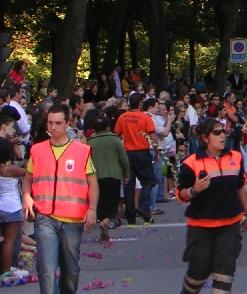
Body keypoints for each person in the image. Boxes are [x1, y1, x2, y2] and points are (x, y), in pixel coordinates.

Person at [22, 104, 98, 294]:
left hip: (73, 219)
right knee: (46, 270)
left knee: (70, 271)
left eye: (58, 123)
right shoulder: (37, 150)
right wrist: (27, 197)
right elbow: (28, 178)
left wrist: (92, 210)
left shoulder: (81, 151)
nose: (53, 127)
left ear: (67, 124)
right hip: (45, 217)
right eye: (50, 123)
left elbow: (93, 183)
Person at [176, 118, 247, 294]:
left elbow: (240, 186)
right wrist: (195, 190)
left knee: (225, 272)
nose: (223, 136)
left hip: (230, 224)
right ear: (205, 137)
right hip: (201, 226)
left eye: (224, 132)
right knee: (198, 272)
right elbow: (181, 195)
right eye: (217, 133)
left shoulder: (235, 157)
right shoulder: (191, 162)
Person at [113, 93, 157, 225]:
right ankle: (143, 207)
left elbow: (116, 134)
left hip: (127, 153)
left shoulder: (122, 117)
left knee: (129, 185)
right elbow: (152, 135)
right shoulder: (145, 117)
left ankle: (130, 215)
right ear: (140, 103)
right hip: (142, 152)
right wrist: (156, 150)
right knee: (148, 181)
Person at [87, 113, 129, 242]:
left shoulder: (90, 142)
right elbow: (123, 158)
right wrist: (126, 174)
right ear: (108, 126)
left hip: (96, 176)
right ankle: (106, 221)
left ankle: (101, 219)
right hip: (113, 174)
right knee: (112, 201)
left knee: (100, 201)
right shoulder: (114, 139)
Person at [0, 137, 27, 280]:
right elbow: (29, 171)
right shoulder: (9, 169)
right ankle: (5, 271)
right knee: (9, 241)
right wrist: (19, 155)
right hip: (11, 208)